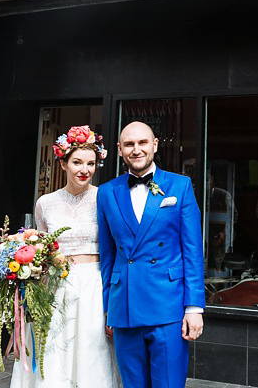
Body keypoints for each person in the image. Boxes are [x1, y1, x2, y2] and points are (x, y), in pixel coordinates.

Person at [10, 125, 120, 388]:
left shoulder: (105, 198)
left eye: (91, 163)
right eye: (77, 162)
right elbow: (42, 247)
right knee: (54, 349)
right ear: (63, 163)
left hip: (94, 284)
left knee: (92, 351)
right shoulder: (45, 202)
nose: (85, 169)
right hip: (55, 286)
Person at [97, 121, 205, 388]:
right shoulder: (107, 192)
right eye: (130, 144)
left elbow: (193, 251)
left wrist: (194, 308)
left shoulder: (180, 186)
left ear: (155, 145)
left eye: (143, 143)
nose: (137, 150)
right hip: (125, 307)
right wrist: (107, 307)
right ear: (120, 150)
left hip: (167, 306)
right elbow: (107, 255)